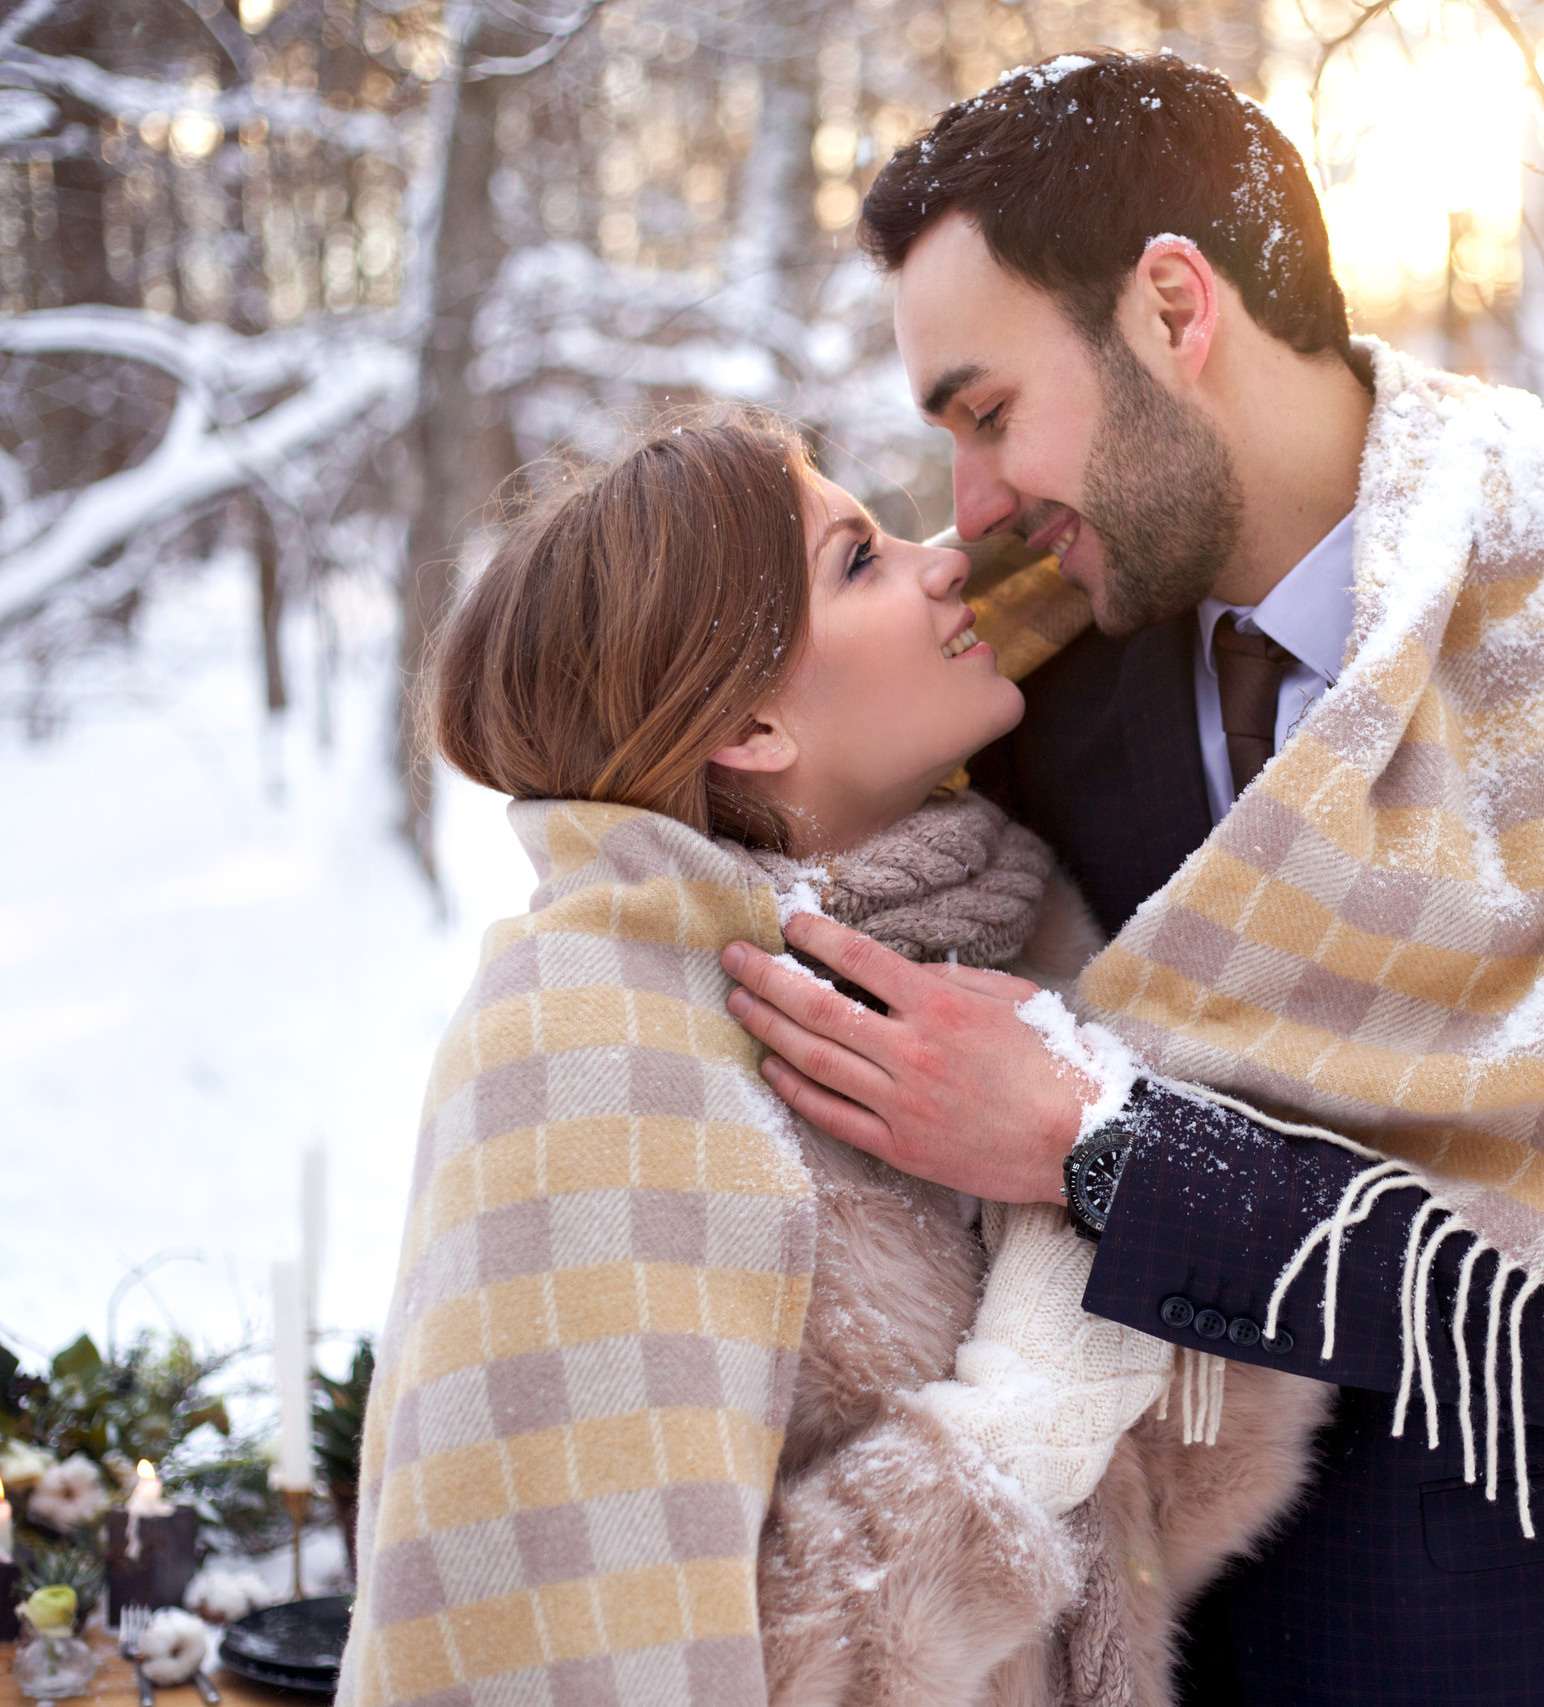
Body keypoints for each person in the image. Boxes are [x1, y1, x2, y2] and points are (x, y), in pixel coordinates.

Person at [722, 50, 1544, 1707]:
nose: (966, 512)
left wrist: (1108, 1145)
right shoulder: (1046, 681)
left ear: (1175, 309)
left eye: (988, 412)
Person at [338, 411, 1330, 1707]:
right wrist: (1016, 1425)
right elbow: (614, 1674)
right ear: (750, 726)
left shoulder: (994, 957)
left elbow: (1130, 1565)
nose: (942, 562)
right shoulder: (590, 1047)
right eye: (858, 559)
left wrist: (1117, 1185)